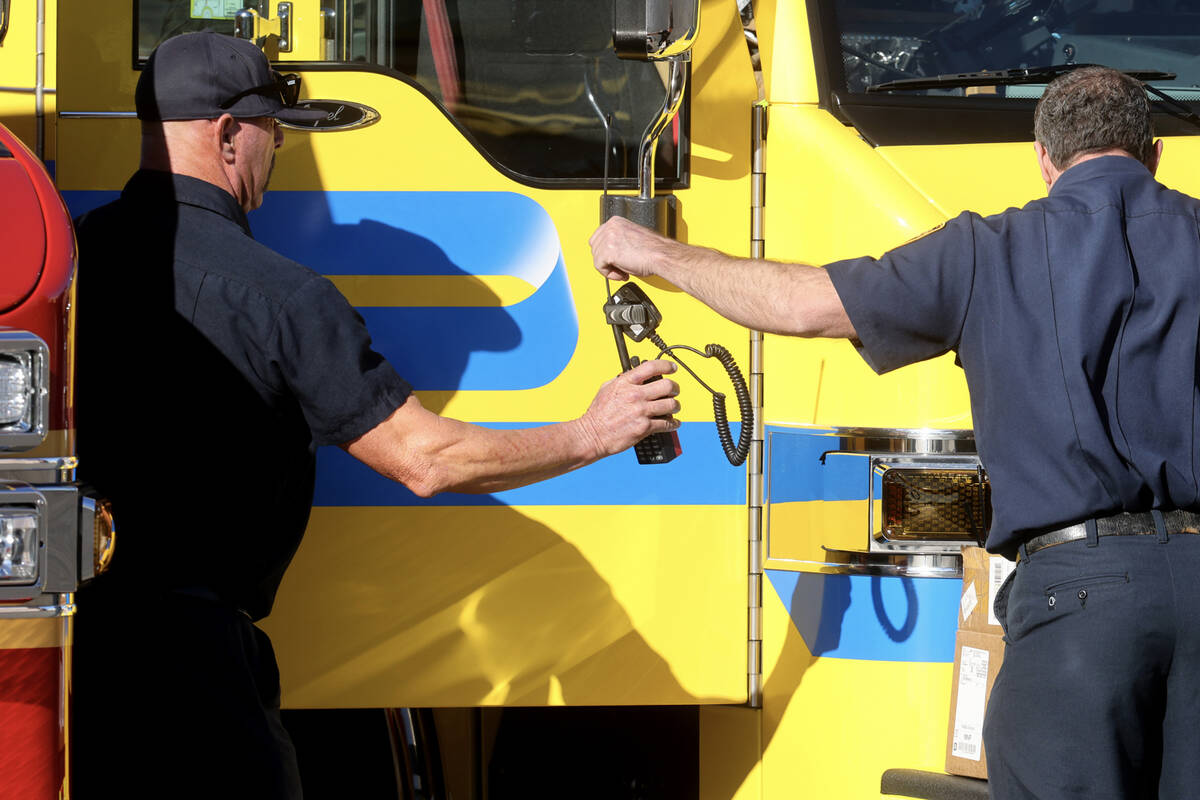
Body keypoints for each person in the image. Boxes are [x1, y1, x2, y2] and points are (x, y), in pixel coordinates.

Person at [72, 31, 680, 799]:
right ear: (228, 134)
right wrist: (595, 431)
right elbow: (425, 460)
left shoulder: (68, 263)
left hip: (68, 649)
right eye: (272, 130)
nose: (278, 151)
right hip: (198, 669)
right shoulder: (282, 296)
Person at [591, 66, 1200, 799]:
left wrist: (655, 253)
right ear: (1156, 152)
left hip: (1075, 604)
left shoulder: (987, 250)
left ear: (1044, 160)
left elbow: (801, 303)